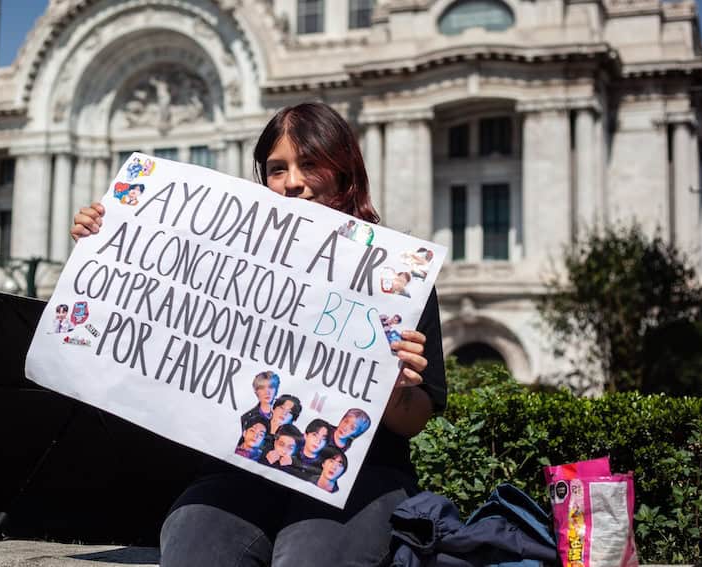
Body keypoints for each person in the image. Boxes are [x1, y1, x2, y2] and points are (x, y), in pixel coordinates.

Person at [71, 101, 447, 567]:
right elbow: (156, 304)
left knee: (310, 559)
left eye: (309, 163)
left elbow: (413, 419)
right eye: (276, 168)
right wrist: (110, 240)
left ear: (346, 169)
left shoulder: (398, 276)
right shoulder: (225, 261)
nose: (292, 181)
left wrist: (395, 387)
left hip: (357, 475)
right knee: (193, 544)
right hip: (242, 469)